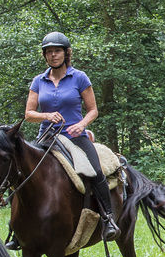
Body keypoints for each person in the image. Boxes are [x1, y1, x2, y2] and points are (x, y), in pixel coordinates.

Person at [23, 31, 119, 242]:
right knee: (23, 172)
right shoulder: (38, 81)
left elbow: (93, 110)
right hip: (47, 138)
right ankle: (18, 227)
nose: (53, 55)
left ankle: (108, 218)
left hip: (74, 136)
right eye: (48, 52)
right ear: (44, 55)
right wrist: (46, 115)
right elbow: (28, 114)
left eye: (57, 51)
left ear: (66, 53)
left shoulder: (79, 77)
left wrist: (82, 124)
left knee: (95, 172)